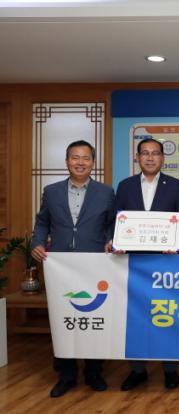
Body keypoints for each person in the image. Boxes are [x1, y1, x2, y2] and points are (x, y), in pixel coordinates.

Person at [31, 140, 114, 398]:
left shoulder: (106, 192)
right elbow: (42, 222)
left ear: (93, 162)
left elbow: (111, 224)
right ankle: (66, 374)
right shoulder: (51, 191)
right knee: (63, 319)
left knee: (93, 318)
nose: (80, 162)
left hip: (95, 264)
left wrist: (111, 240)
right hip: (61, 267)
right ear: (67, 161)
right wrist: (37, 243)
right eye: (75, 157)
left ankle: (94, 372)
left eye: (86, 158)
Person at [112, 138, 179, 391]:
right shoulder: (125, 186)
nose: (150, 157)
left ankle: (170, 370)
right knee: (137, 317)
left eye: (155, 153)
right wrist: (116, 241)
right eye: (145, 153)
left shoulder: (175, 186)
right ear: (137, 157)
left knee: (168, 315)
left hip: (166, 263)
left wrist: (177, 243)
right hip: (134, 264)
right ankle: (137, 370)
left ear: (162, 158)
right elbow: (116, 221)